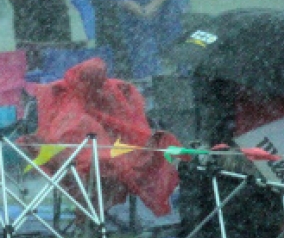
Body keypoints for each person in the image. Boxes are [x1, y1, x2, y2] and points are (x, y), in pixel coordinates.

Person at [26, 58, 181, 221]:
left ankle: (92, 210)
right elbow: (65, 136)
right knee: (103, 165)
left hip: (102, 153)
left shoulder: (112, 92)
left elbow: (125, 125)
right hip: (82, 156)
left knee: (112, 167)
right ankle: (92, 210)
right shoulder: (68, 100)